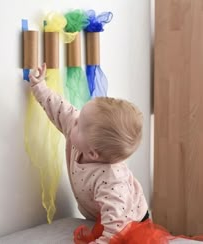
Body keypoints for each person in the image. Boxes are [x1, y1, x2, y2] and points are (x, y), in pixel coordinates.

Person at [28, 63, 149, 243]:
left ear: (93, 154)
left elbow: (116, 230)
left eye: (79, 124)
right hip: (103, 215)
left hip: (128, 223)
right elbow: (62, 111)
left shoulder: (111, 180)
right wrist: (39, 86)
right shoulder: (83, 136)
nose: (74, 119)